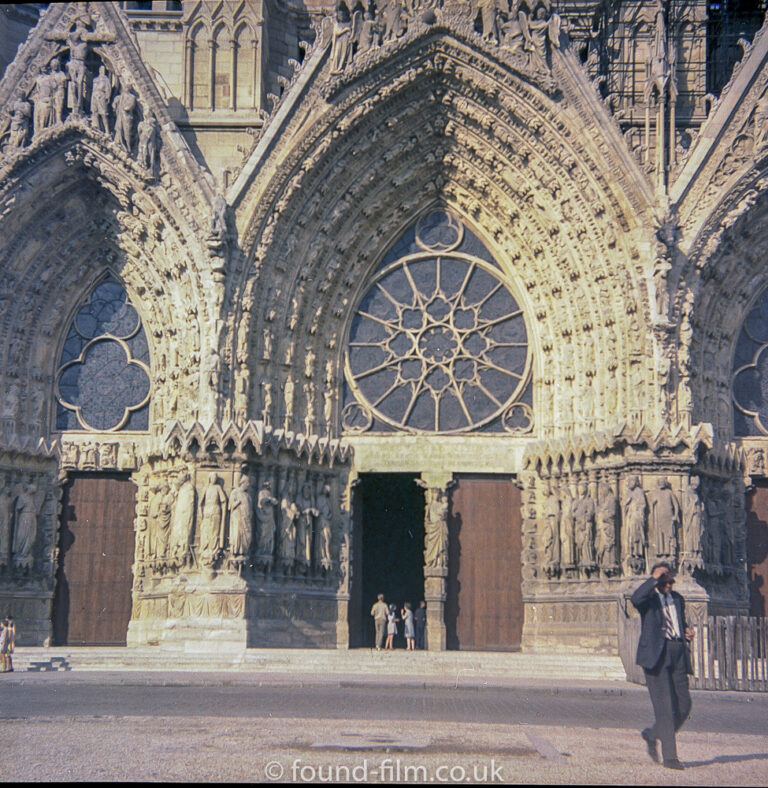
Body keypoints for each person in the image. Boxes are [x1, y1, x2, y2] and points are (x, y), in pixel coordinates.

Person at [631, 563, 694, 771]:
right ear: (657, 582)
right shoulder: (648, 601)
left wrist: (686, 631)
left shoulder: (677, 599)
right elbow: (635, 598)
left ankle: (652, 734)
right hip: (656, 656)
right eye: (663, 580)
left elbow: (679, 622)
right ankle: (670, 757)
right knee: (665, 708)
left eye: (669, 580)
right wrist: (654, 578)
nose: (668, 584)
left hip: (677, 654)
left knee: (684, 705)